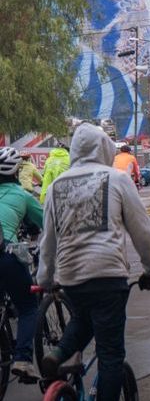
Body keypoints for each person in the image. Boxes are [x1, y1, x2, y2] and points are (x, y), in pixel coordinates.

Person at [37, 124, 150, 399]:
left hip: (71, 278)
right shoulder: (117, 179)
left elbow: (47, 239)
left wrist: (45, 279)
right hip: (108, 275)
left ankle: (58, 354)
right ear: (105, 148)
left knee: (83, 319)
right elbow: (142, 230)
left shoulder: (57, 186)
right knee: (110, 354)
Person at [0, 147, 43, 380]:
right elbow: (48, 223)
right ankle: (23, 360)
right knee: (28, 306)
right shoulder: (22, 195)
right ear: (16, 171)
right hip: (5, 253)